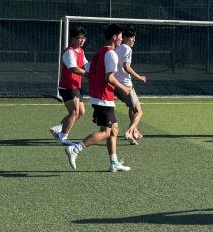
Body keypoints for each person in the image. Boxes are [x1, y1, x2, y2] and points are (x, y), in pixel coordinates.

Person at [64, 24, 133, 173]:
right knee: (106, 132)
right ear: (114, 37)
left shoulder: (100, 51)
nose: (122, 39)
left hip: (100, 97)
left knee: (114, 129)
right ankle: (75, 149)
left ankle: (113, 163)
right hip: (103, 98)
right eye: (120, 36)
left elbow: (89, 69)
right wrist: (123, 88)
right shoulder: (111, 54)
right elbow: (109, 78)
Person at [49, 27, 89, 146]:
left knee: (81, 112)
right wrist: (89, 74)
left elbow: (86, 65)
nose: (82, 40)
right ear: (73, 38)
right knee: (74, 112)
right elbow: (73, 69)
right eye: (79, 38)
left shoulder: (81, 51)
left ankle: (58, 128)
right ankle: (62, 137)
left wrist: (96, 68)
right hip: (67, 87)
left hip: (75, 87)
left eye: (84, 38)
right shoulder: (69, 52)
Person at [115, 25, 148, 144]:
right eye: (131, 37)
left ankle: (135, 131)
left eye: (134, 37)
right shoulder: (128, 49)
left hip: (116, 85)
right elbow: (126, 67)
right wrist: (139, 77)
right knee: (139, 111)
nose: (133, 39)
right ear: (124, 38)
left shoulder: (117, 48)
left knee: (131, 107)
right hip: (126, 86)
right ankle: (129, 131)